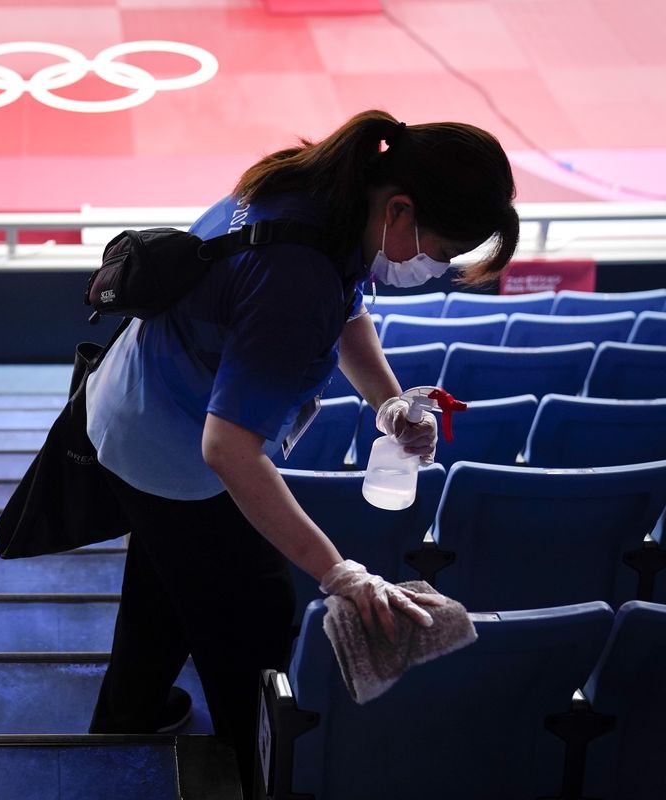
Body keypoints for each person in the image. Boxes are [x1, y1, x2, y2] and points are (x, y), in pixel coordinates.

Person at [84, 109, 520, 791]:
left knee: (167, 573)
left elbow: (345, 307)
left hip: (137, 398)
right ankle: (246, 766)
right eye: (439, 249)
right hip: (169, 445)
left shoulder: (327, 191)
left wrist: (389, 402)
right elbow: (228, 449)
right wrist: (339, 573)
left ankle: (129, 712)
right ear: (400, 209)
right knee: (255, 616)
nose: (433, 268)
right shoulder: (296, 277)